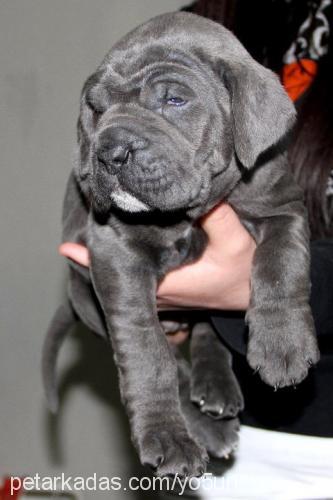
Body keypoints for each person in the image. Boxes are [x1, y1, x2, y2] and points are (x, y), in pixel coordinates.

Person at [58, 0, 333, 496]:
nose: (115, 143)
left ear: (246, 111)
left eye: (173, 100)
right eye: (101, 108)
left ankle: (210, 352)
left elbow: (281, 217)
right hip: (238, 458)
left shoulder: (232, 80)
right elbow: (118, 257)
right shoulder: (203, 21)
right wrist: (157, 403)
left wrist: (273, 297)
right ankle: (184, 390)